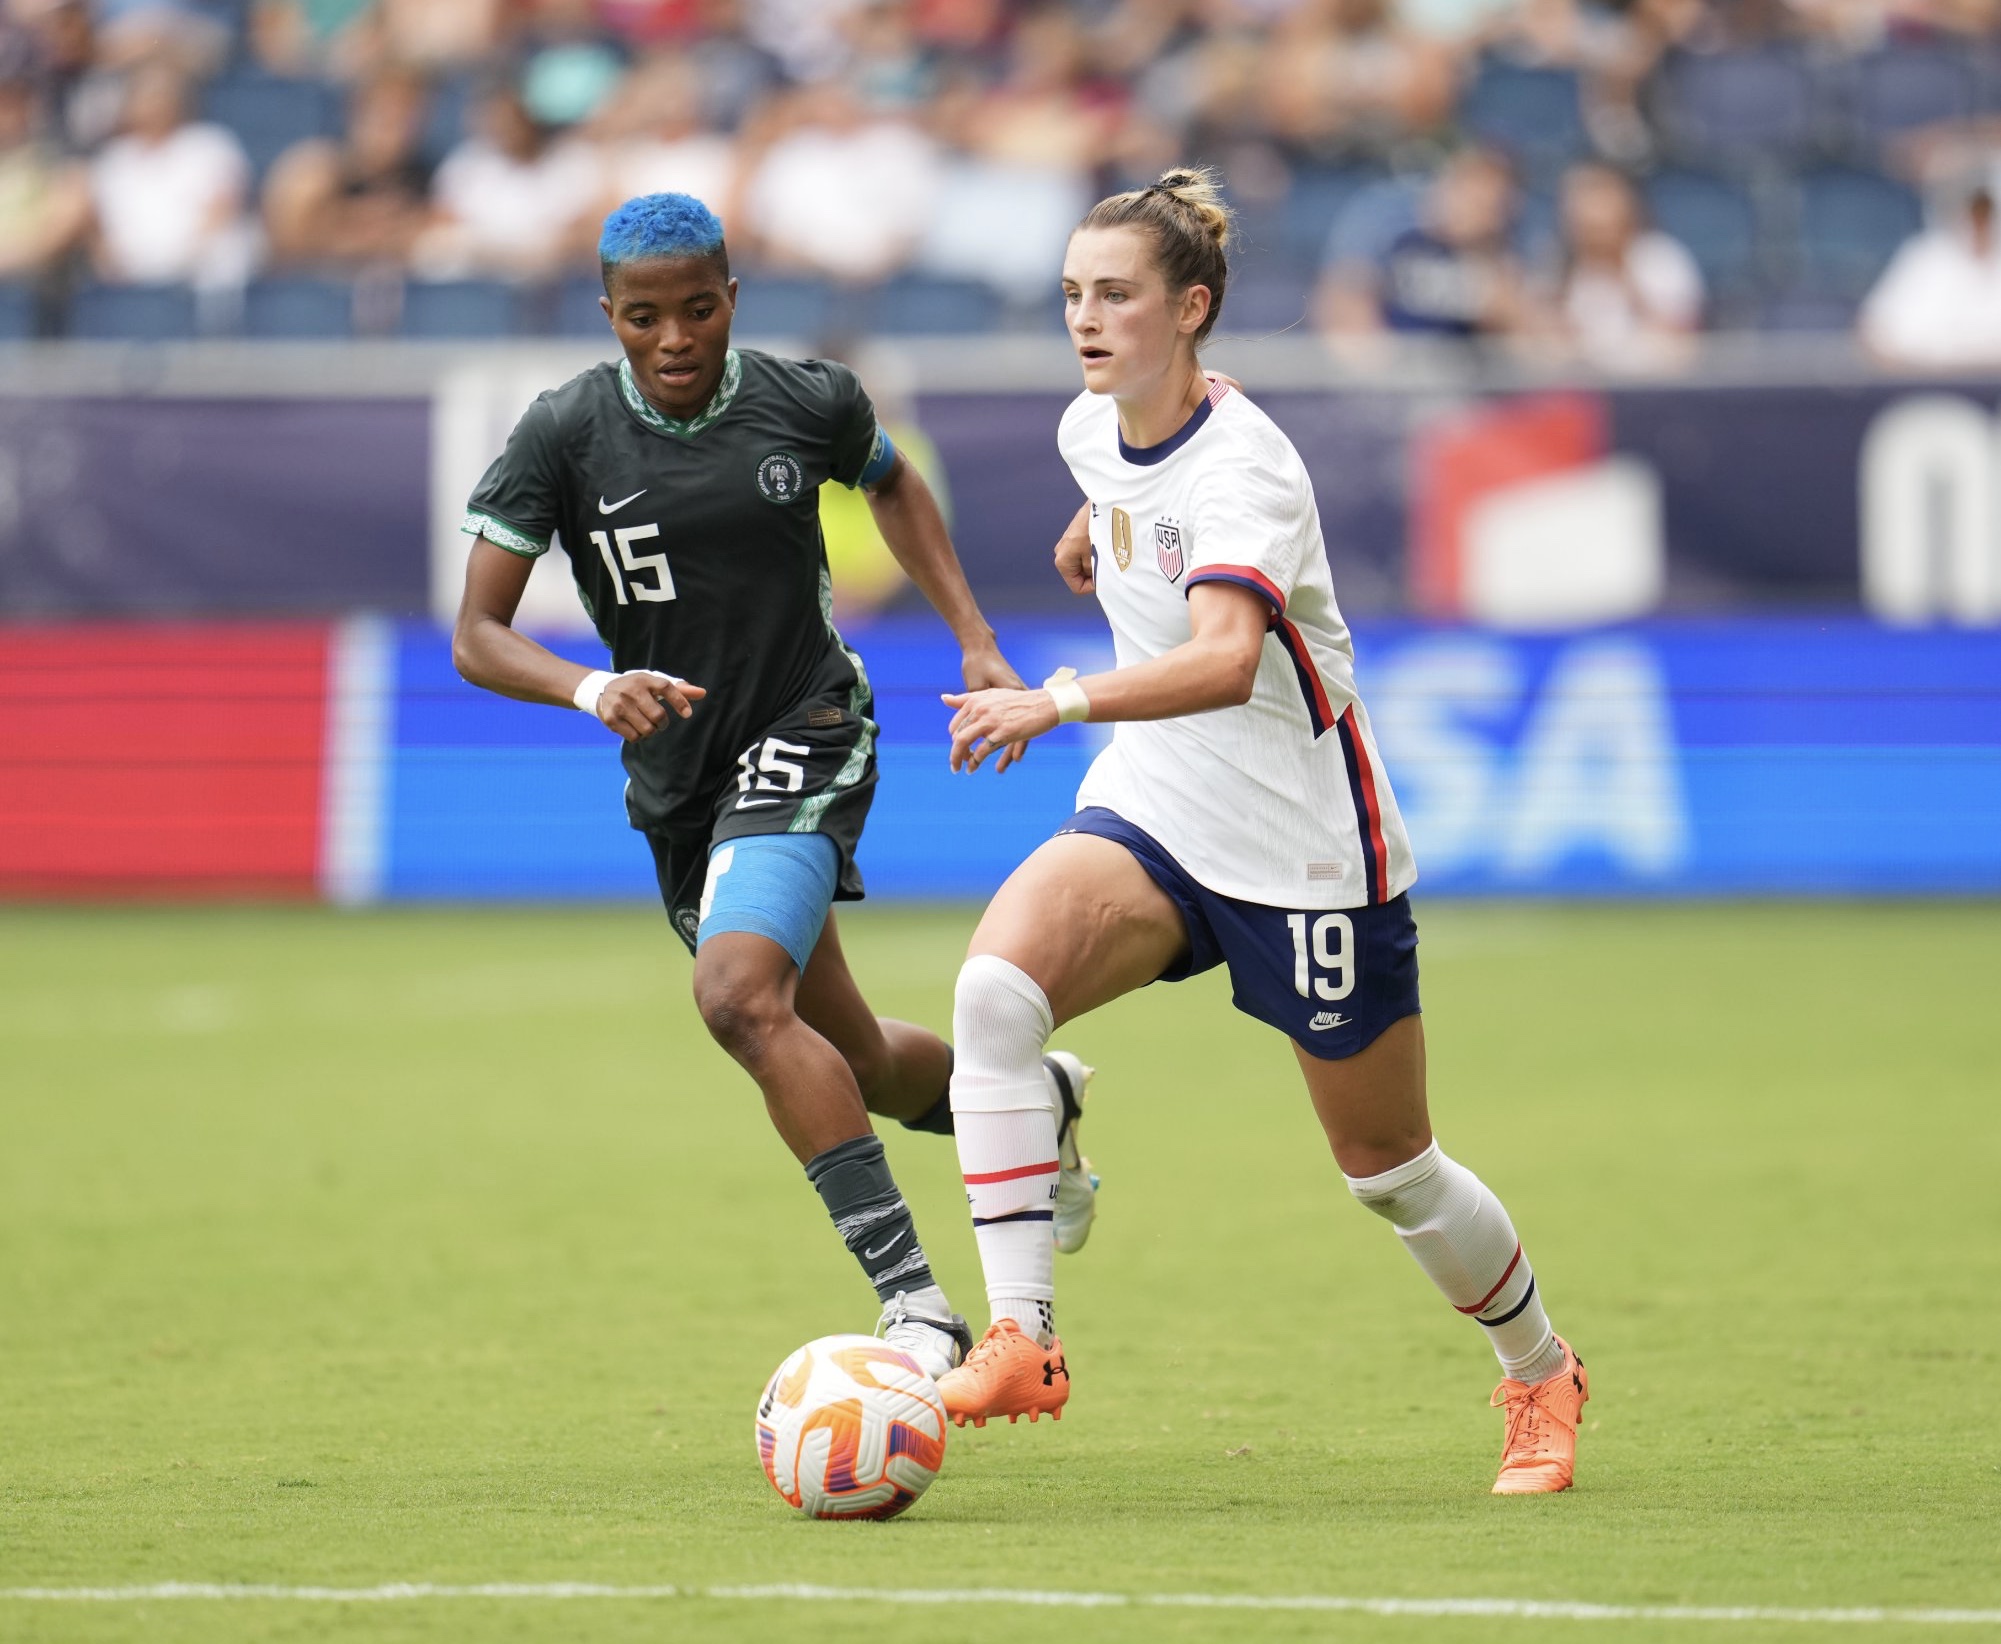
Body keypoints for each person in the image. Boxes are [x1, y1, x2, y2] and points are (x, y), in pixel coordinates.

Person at [932, 167, 1588, 1495]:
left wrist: (1054, 698)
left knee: (1388, 1172)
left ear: (1192, 308)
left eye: (1114, 295)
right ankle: (1022, 1336)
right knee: (994, 995)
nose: (1086, 318)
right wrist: (1093, 534)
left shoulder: (1250, 468)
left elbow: (1229, 655)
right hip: (1158, 803)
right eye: (1072, 295)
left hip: (1303, 845)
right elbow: (1117, 485)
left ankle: (1539, 1373)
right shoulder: (1092, 425)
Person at [449, 192, 1096, 1380]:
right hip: (680, 785)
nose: (676, 338)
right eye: (645, 319)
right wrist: (592, 690)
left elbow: (893, 483)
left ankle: (917, 1304)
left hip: (807, 725)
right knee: (850, 1056)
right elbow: (477, 635)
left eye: (699, 310)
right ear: (611, 316)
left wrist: (974, 636)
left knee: (739, 996)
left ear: (732, 300)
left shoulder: (811, 401)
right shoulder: (564, 434)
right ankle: (1032, 1105)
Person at [1550, 161, 1703, 369]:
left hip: (1653, 387)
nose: (1587, 210)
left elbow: (1683, 343)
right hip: (1586, 387)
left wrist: (1621, 272)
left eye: (1599, 196)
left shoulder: (1658, 256)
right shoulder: (1561, 266)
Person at [1859, 175, 2001, 372]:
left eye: (1987, 211)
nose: (1981, 221)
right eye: (1977, 211)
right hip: (1923, 388)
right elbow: (1875, 334)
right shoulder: (1925, 255)